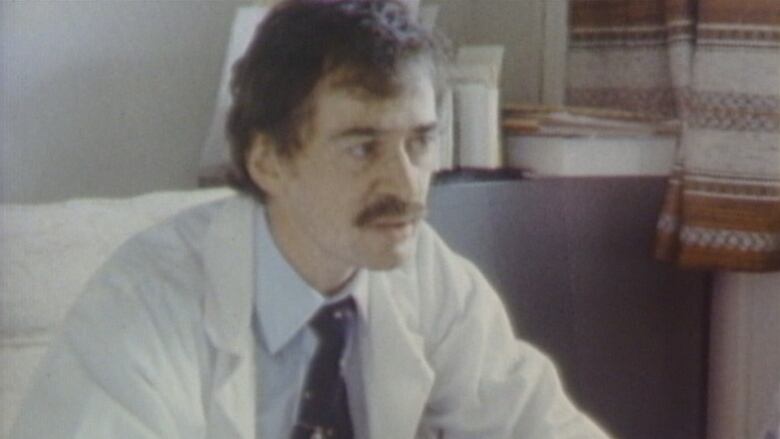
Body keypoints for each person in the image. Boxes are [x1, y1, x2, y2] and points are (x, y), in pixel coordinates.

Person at [11, 0, 610, 438]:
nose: (405, 184)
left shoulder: (427, 273)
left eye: (420, 143)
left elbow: (542, 426)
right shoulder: (145, 305)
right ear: (268, 160)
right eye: (361, 147)